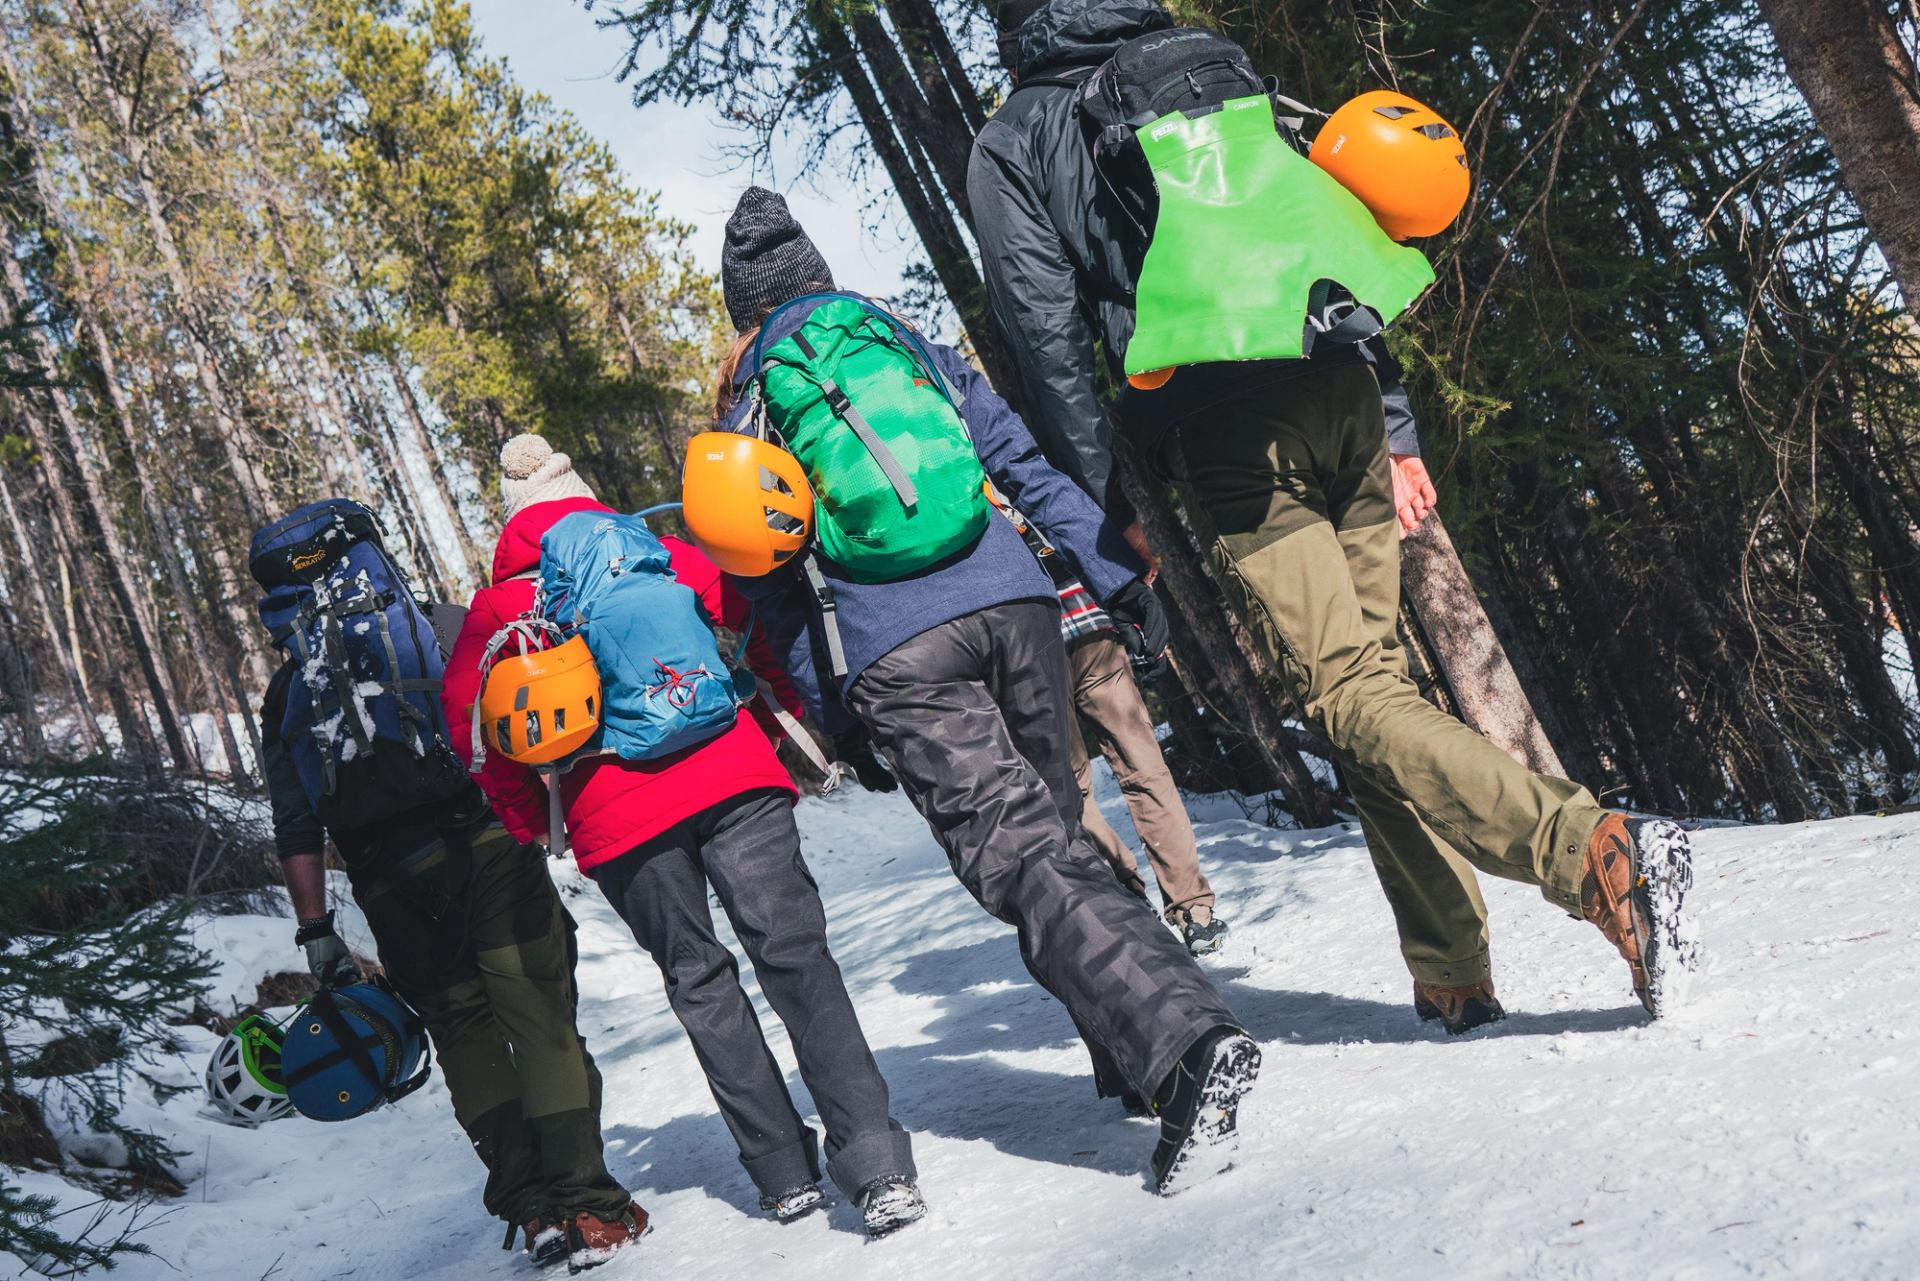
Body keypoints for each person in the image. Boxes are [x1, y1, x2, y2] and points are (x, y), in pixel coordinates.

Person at [966, 0, 1700, 1029]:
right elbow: (1324, 226)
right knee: (1374, 686)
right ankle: (1450, 971)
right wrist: (1391, 416)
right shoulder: (1202, 60)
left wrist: (1105, 513)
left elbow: (1047, 341)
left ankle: (1589, 851)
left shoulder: (1014, 139)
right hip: (1339, 378)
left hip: (1228, 429)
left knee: (1349, 690)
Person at [706, 186, 1260, 1196]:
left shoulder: (748, 402)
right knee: (1056, 838)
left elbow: (770, 598)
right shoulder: (897, 339)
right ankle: (1142, 1053)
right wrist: (1116, 577)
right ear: (818, 276)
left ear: (744, 307)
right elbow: (1016, 456)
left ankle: (1187, 1050)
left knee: (1019, 862)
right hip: (1016, 602)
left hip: (896, 648)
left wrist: (838, 724)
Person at [439, 434, 924, 1238]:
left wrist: (539, 823)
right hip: (734, 774)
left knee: (699, 981)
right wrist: (787, 719)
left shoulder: (500, 609)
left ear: (512, 520)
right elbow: (751, 619)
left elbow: (477, 737)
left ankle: (783, 1176)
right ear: (588, 495)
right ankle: (877, 1165)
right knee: (797, 957)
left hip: (615, 814)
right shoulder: (662, 554)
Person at [254, 504, 644, 1273]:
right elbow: (518, 721)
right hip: (486, 845)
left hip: (389, 884)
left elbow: (296, 827)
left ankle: (534, 1213)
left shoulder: (288, 690)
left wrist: (318, 933)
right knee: (538, 1017)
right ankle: (591, 1208)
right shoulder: (438, 622)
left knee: (465, 1036)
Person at [997, 491, 1227, 954]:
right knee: (1144, 768)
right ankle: (1192, 909)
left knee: (1070, 785)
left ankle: (1128, 897)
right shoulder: (1014, 468)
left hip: (1027, 645)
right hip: (1086, 620)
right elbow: (1073, 527)